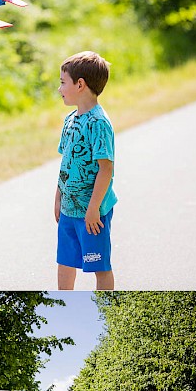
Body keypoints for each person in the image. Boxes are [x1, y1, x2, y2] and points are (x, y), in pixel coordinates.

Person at [55, 51, 116, 291]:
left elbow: (106, 169)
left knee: (99, 266)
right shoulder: (70, 120)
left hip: (92, 214)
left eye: (62, 82)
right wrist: (58, 196)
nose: (59, 88)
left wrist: (93, 210)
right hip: (69, 209)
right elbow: (66, 164)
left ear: (80, 84)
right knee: (65, 263)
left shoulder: (99, 123)